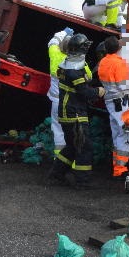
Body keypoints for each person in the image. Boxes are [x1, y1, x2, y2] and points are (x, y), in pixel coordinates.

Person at [47, 33, 105, 189]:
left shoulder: (65, 65)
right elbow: (84, 92)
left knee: (72, 146)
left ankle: (57, 174)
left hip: (67, 112)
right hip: (75, 115)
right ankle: (82, 181)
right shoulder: (74, 71)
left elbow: (79, 84)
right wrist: (99, 91)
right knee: (84, 147)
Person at [46, 27, 91, 160]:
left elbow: (52, 42)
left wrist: (64, 33)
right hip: (71, 103)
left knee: (58, 131)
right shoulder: (78, 62)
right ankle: (73, 160)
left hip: (55, 101)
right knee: (74, 133)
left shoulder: (54, 55)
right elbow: (89, 76)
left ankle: (58, 159)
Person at [97, 36, 129, 179]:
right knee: (126, 132)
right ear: (118, 48)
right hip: (120, 102)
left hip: (110, 101)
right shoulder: (120, 63)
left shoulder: (103, 62)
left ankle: (117, 166)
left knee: (117, 133)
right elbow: (123, 86)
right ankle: (120, 168)